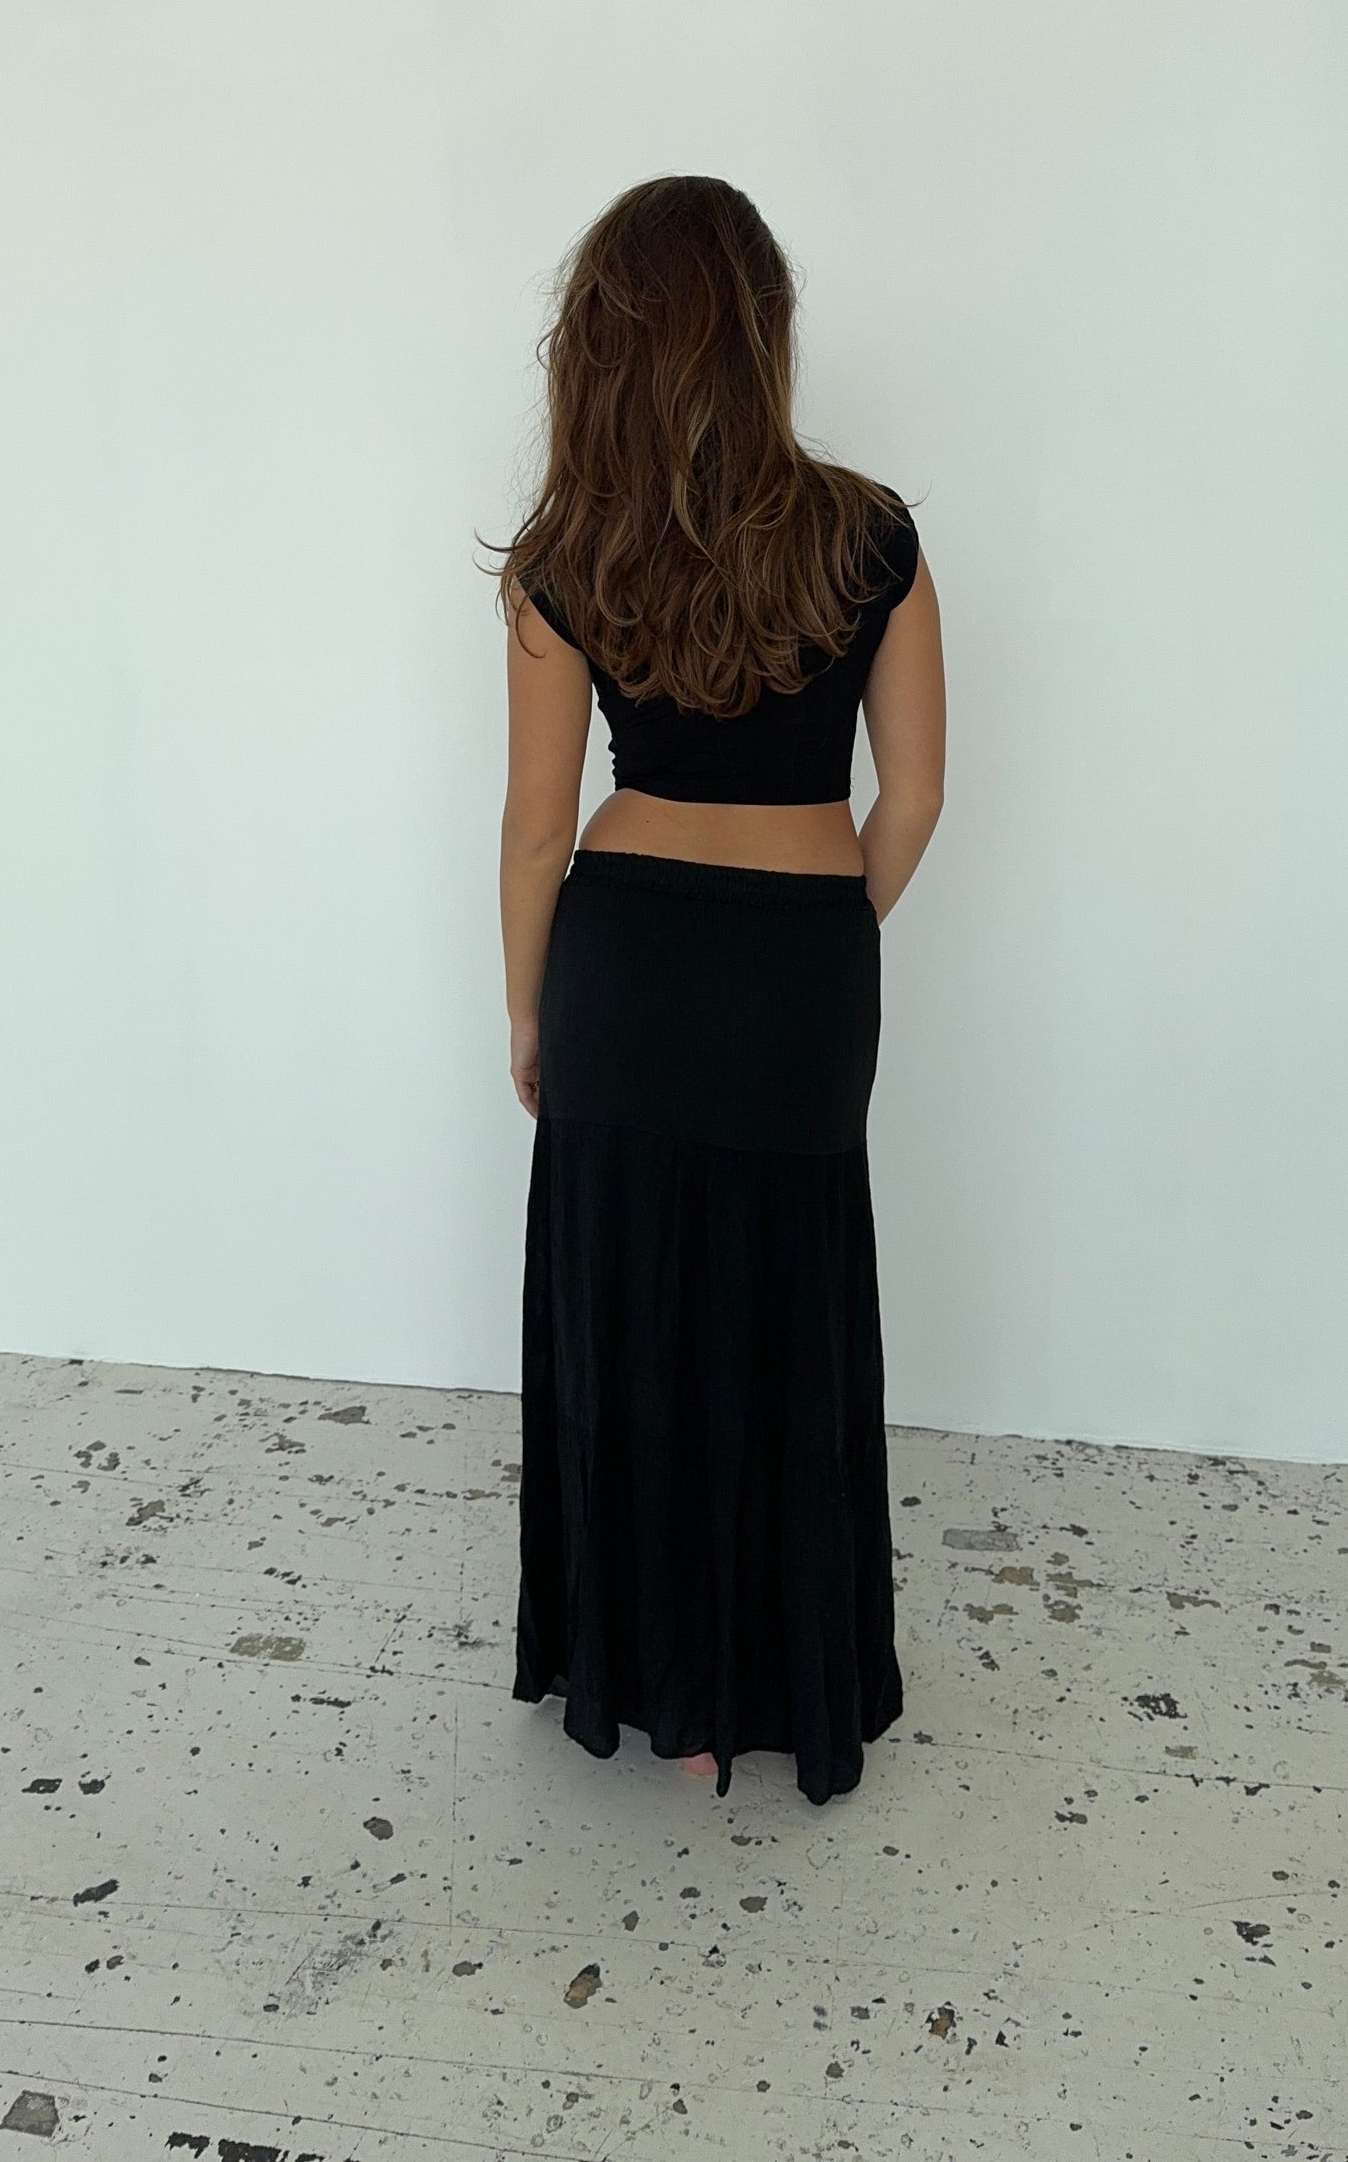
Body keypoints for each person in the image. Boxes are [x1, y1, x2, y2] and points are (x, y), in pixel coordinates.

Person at [487, 175, 945, 1805]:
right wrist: (824, 936)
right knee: (781, 1316)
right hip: (803, 961)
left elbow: (536, 829)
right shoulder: (872, 533)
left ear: (600, 347)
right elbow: (914, 799)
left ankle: (655, 1685)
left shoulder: (568, 555)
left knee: (630, 1311)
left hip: (621, 961)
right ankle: (768, 1682)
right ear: (766, 334)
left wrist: (530, 1012)